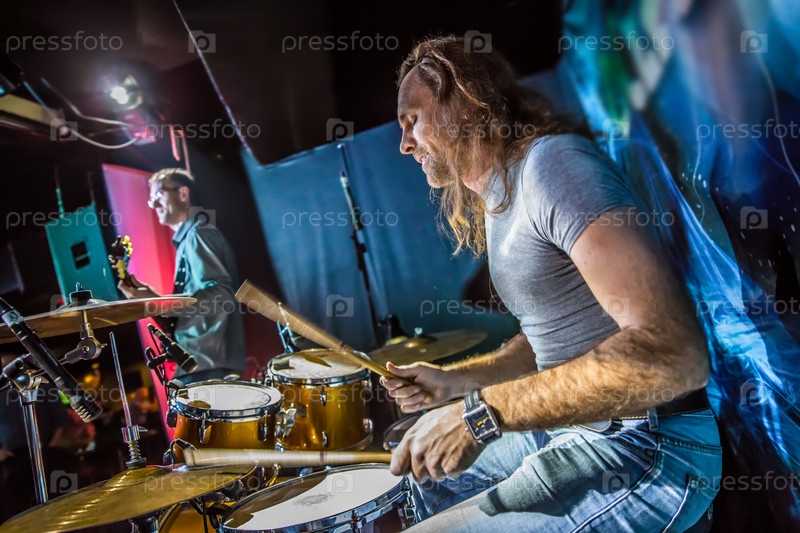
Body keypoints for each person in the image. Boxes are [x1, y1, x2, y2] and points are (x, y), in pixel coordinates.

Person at [382, 36, 722, 531]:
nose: (404, 144)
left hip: (650, 442)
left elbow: (675, 355)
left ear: (465, 101)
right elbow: (551, 339)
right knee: (426, 477)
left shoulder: (552, 168)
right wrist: (454, 382)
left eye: (412, 119)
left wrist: (479, 414)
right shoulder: (501, 197)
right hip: (580, 427)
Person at [117, 168, 245, 382]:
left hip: (209, 364)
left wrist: (162, 303)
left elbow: (221, 295)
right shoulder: (189, 239)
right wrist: (156, 300)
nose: (154, 205)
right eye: (151, 200)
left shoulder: (198, 234)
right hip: (202, 363)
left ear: (183, 193)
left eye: (159, 195)